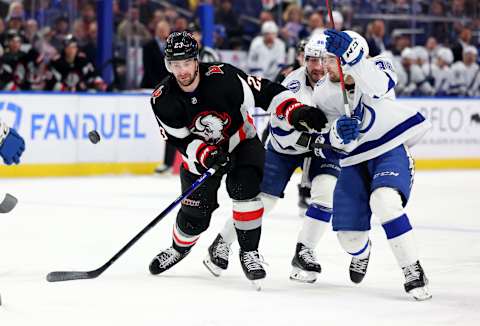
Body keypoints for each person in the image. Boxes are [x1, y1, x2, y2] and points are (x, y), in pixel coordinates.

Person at [148, 31, 327, 288]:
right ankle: (179, 248)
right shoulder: (162, 98)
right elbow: (180, 140)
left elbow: (265, 91)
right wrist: (204, 154)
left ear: (196, 60)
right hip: (201, 158)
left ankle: (249, 252)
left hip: (240, 142)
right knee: (194, 216)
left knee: (245, 193)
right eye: (176, 65)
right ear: (168, 65)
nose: (182, 70)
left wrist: (295, 111)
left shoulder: (225, 77)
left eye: (186, 63)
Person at [306, 29, 432, 300]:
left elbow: (379, 86)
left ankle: (413, 269)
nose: (324, 66)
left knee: (384, 201)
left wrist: (354, 57)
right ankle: (363, 253)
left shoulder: (378, 64)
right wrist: (336, 134)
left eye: (331, 59)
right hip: (352, 161)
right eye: (324, 59)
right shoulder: (323, 92)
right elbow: (323, 139)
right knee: (349, 239)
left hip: (388, 149)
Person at [205, 35, 338, 283]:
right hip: (284, 149)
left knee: (326, 193)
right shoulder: (292, 85)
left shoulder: (338, 82)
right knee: (262, 202)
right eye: (311, 60)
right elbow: (280, 132)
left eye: (323, 60)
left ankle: (304, 251)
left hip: (323, 146)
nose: (318, 67)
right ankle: (221, 243)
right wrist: (312, 141)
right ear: (304, 60)